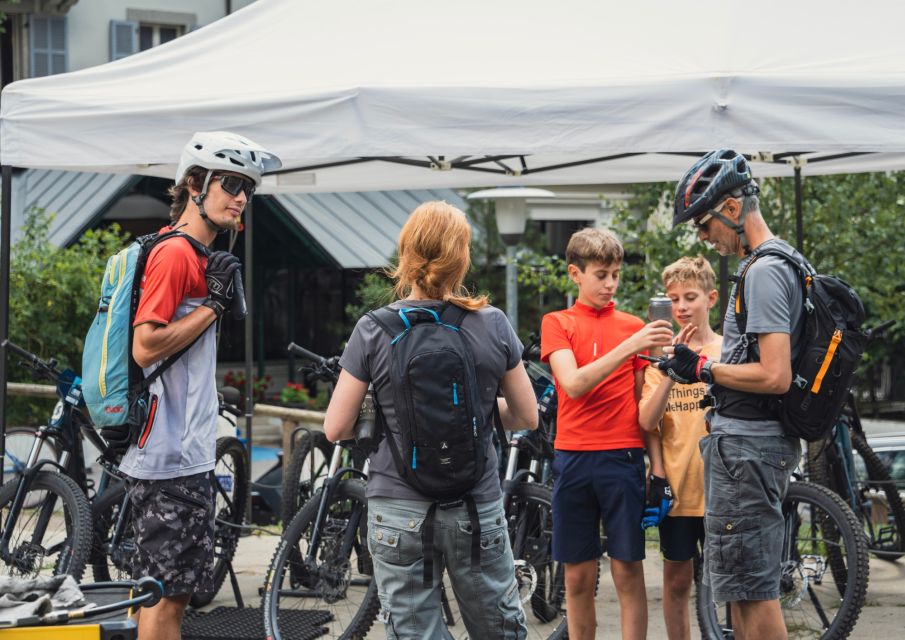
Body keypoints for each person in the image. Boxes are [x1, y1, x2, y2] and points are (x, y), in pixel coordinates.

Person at [323, 201, 539, 639]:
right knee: (499, 630)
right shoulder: (492, 323)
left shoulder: (372, 328)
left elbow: (337, 428)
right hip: (475, 507)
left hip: (397, 507)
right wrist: (477, 413)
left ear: (405, 253)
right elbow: (527, 416)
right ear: (462, 256)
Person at [120, 131, 280, 640]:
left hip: (178, 450)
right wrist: (213, 306)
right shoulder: (176, 255)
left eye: (248, 189)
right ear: (194, 184)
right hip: (169, 456)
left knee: (159, 592)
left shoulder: (198, 256)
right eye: (231, 183)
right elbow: (146, 346)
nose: (241, 197)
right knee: (170, 599)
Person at [661, 149, 803, 640]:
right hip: (748, 447)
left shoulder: (763, 272)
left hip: (747, 450)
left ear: (732, 209)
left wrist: (704, 368)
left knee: (755, 595)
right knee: (742, 591)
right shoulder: (781, 262)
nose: (703, 237)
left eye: (703, 224)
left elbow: (774, 375)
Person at [540, 227, 673, 640]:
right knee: (577, 579)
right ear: (575, 274)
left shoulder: (633, 326)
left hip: (623, 458)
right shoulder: (557, 322)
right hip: (574, 457)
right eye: (601, 274)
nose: (611, 284)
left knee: (628, 572)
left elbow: (644, 409)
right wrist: (631, 346)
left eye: (616, 273)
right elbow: (573, 384)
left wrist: (659, 466)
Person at [638, 256, 722, 640]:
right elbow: (647, 422)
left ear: (711, 298)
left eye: (690, 297)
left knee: (729, 587)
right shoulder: (658, 359)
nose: (682, 307)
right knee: (676, 583)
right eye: (674, 299)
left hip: (722, 489)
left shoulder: (726, 352)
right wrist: (671, 372)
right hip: (679, 490)